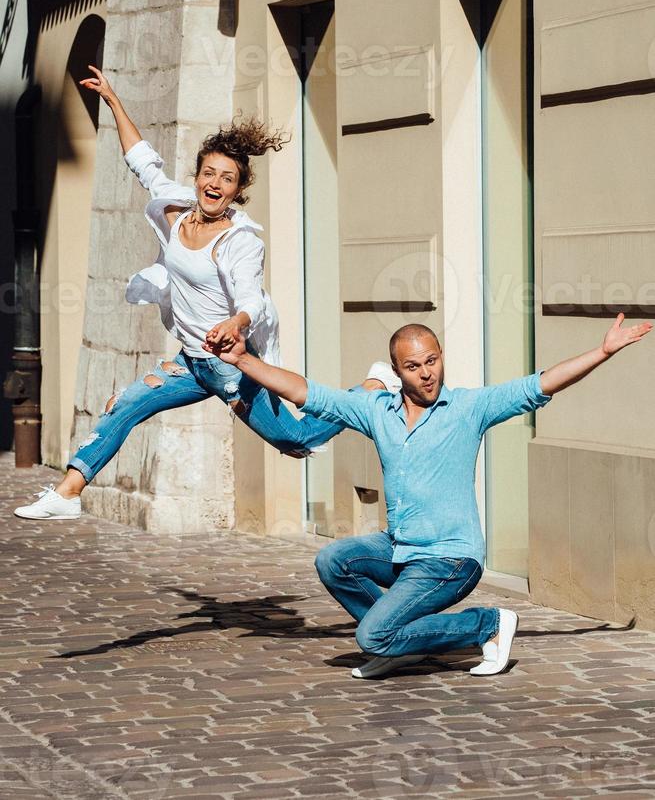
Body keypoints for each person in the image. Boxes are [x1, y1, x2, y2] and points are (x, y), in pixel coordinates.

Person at [14, 66, 396, 521]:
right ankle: (67, 493)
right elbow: (142, 160)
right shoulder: (176, 212)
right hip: (191, 361)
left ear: (239, 188)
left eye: (227, 178)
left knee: (296, 441)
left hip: (231, 365)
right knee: (125, 406)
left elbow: (250, 299)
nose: (215, 184)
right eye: (208, 173)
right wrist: (114, 100)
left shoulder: (240, 241)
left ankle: (372, 386)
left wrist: (236, 324)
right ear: (197, 177)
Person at [204, 313, 651, 677]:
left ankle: (488, 624)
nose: (427, 373)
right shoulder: (375, 411)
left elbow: (541, 384)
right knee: (333, 561)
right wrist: (242, 359)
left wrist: (603, 351)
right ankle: (401, 641)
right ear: (396, 372)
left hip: (450, 558)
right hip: (401, 548)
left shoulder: (467, 409)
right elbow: (304, 390)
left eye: (432, 361)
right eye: (414, 366)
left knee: (371, 637)